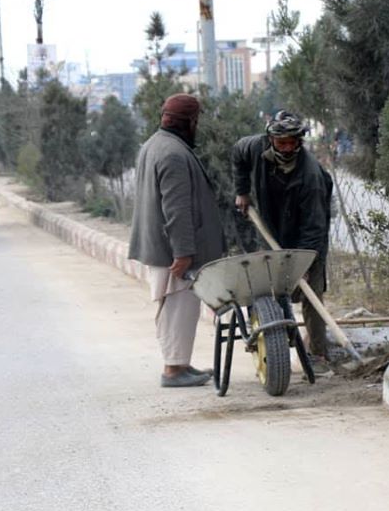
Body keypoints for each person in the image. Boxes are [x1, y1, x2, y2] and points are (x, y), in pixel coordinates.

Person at [128, 93, 226, 388]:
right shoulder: (172, 153)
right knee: (177, 310)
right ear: (190, 121)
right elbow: (176, 209)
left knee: (179, 310)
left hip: (160, 247)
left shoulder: (153, 145)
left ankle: (180, 363)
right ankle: (173, 370)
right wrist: (183, 252)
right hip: (173, 252)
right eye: (196, 121)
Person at [232, 110, 334, 374]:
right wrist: (242, 191)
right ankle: (277, 338)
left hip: (308, 233)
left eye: (292, 142)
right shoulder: (254, 146)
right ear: (270, 139)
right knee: (271, 285)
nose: (287, 148)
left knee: (312, 291)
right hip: (271, 226)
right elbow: (238, 154)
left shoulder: (311, 175)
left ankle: (318, 353)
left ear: (299, 142)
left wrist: (306, 261)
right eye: (281, 142)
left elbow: (314, 225)